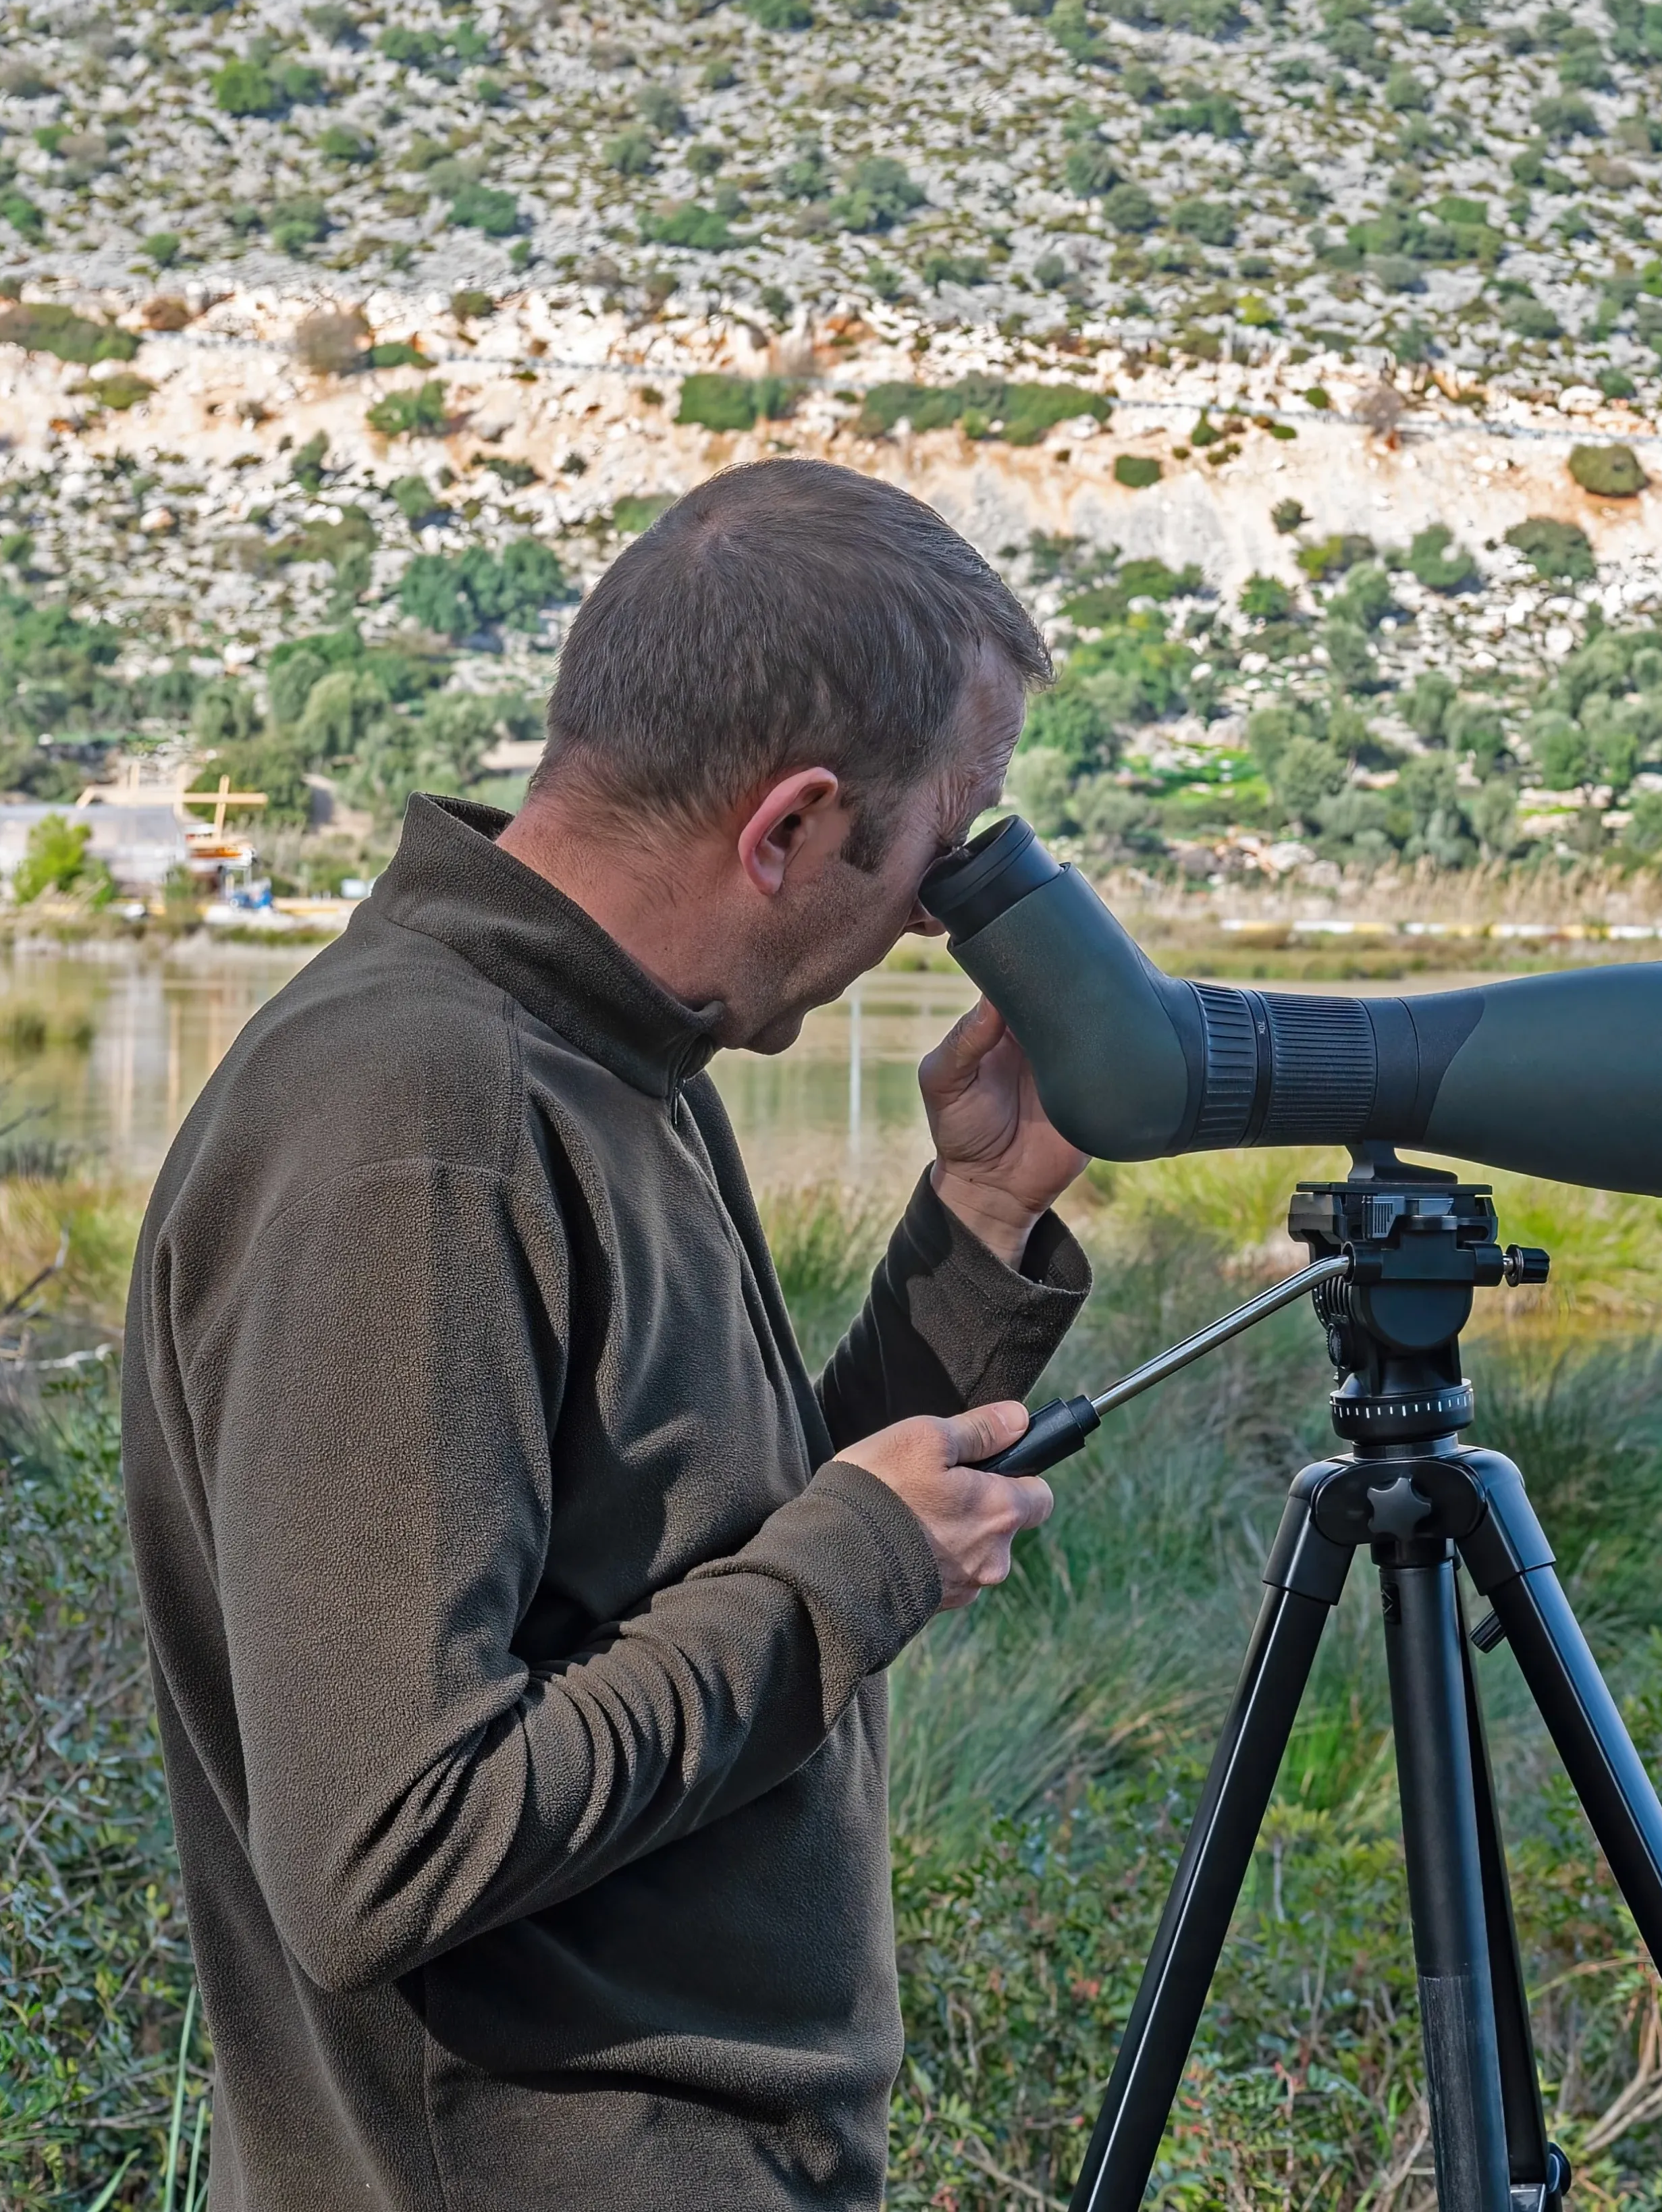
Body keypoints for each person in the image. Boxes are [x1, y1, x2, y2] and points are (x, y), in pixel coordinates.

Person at [122, 459, 1090, 2209]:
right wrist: (847, 1575)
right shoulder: (418, 1114)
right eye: (940, 851)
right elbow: (378, 1854)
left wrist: (981, 1228)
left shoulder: (610, 1059)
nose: (939, 919)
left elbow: (730, 1555)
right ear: (788, 829)